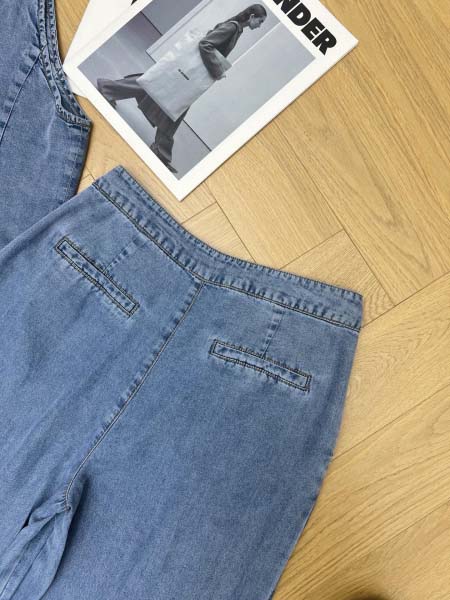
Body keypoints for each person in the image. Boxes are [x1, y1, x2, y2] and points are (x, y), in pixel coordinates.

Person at [97, 4, 267, 174]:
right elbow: (205, 44)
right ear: (252, 16)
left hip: (188, 73)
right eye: (260, 21)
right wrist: (218, 70)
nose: (260, 25)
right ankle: (109, 89)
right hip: (189, 73)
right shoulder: (232, 28)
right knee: (154, 90)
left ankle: (160, 149)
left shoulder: (236, 29)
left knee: (165, 98)